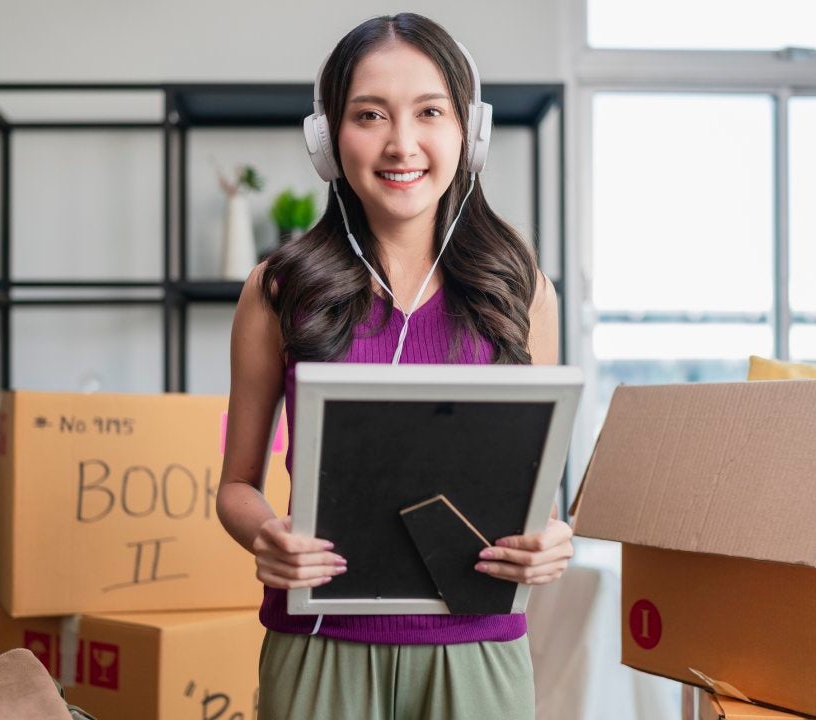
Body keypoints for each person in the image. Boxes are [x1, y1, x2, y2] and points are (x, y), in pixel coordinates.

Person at [216, 12, 573, 719]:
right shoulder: (277, 288)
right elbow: (235, 485)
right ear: (327, 139)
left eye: (430, 112)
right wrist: (267, 536)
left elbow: (539, 490)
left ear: (469, 132)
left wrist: (552, 539)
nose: (401, 144)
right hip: (321, 649)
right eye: (369, 115)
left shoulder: (521, 286)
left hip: (478, 651)